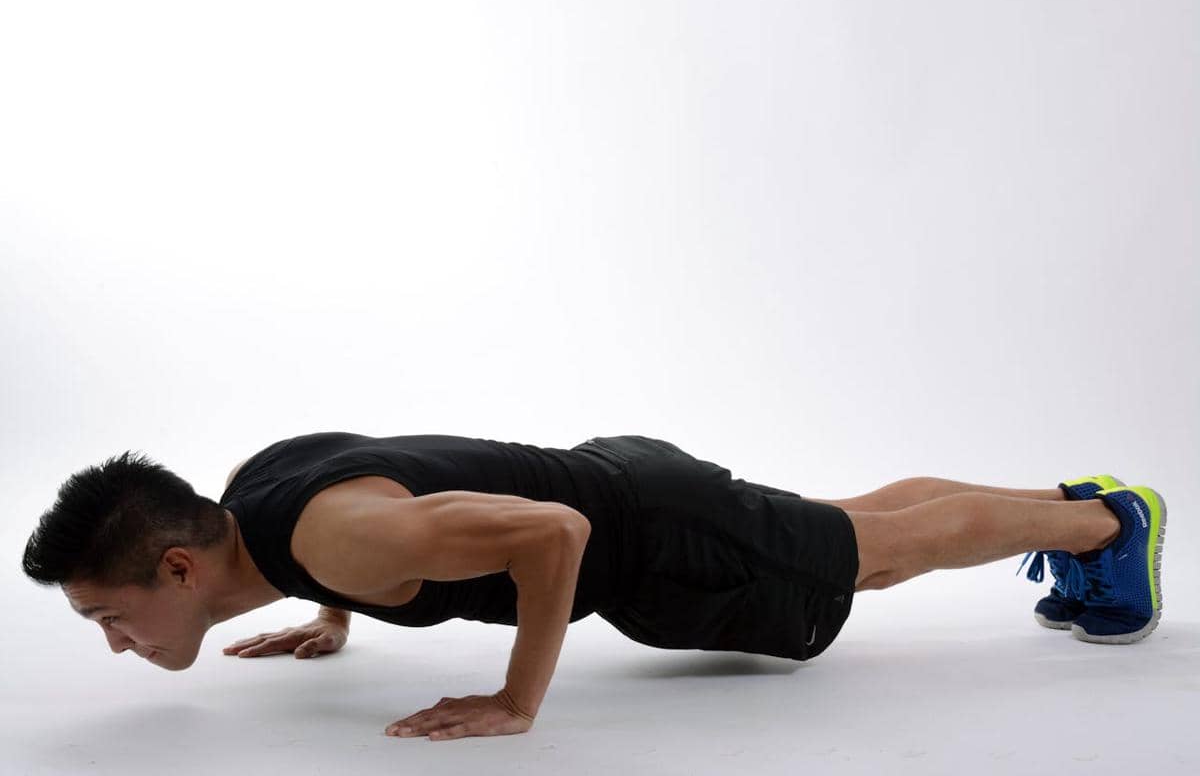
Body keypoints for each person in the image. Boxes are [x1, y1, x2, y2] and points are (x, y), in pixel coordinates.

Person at [21, 432, 1166, 742]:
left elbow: (552, 535)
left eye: (109, 615)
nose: (116, 641)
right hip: (632, 482)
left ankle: (1110, 524)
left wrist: (516, 700)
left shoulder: (344, 541)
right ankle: (1080, 504)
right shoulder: (255, 499)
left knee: (878, 554)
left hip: (651, 539)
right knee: (857, 523)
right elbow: (351, 495)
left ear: (178, 566)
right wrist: (333, 615)